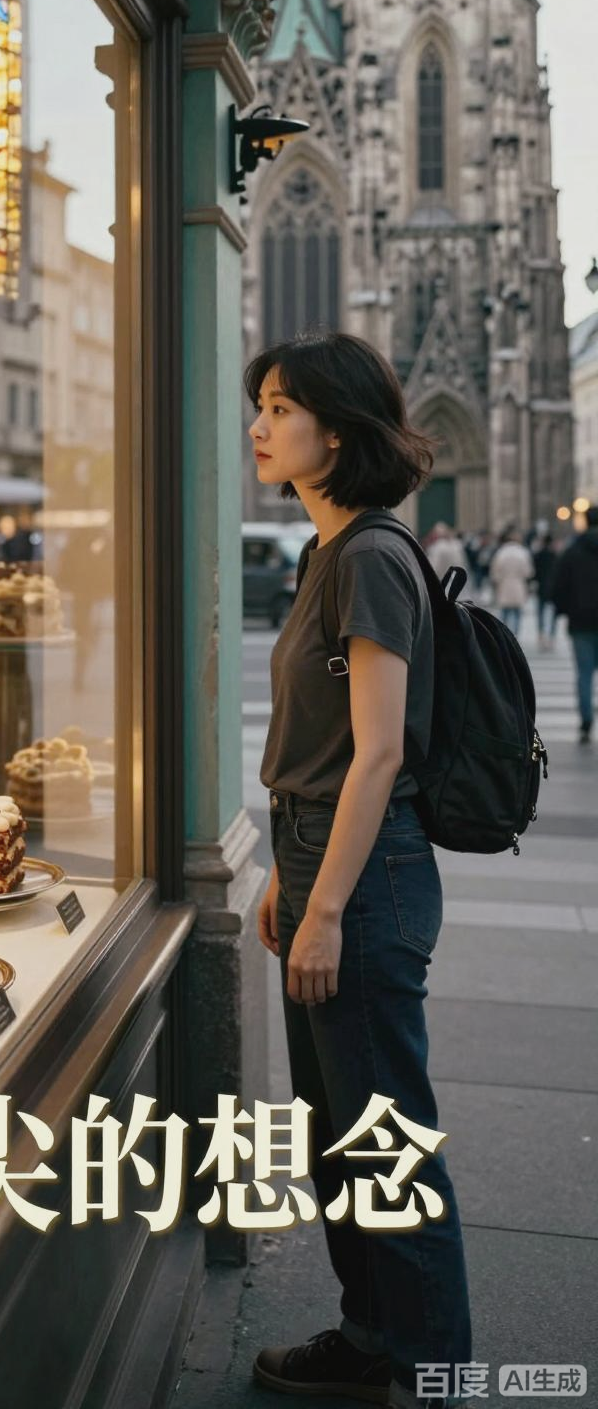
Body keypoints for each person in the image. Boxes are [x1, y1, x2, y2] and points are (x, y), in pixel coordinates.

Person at [246, 332, 472, 1409]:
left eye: (279, 406)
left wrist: (326, 900)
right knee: (340, 1131)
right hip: (321, 849)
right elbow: (328, 746)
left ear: (334, 428)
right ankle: (370, 1330)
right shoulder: (324, 553)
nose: (258, 424)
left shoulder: (374, 555)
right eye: (259, 405)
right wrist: (291, 876)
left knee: (384, 1137)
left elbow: (378, 751)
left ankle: (428, 1369)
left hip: (366, 868)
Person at [552, 505, 598, 743]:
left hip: (581, 622)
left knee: (584, 674)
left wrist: (564, 609)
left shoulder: (573, 551)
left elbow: (559, 585)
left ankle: (586, 720)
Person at [488, 530, 534, 638]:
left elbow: (494, 572)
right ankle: (515, 635)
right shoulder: (523, 552)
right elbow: (528, 572)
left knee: (505, 611)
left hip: (504, 584)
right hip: (518, 585)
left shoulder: (501, 552)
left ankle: (504, 633)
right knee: (517, 612)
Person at [532, 534, 560, 651]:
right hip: (553, 589)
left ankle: (541, 635)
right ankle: (552, 638)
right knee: (553, 614)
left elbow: (534, 572)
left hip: (541, 587)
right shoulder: (556, 556)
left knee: (541, 612)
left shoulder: (538, 555)